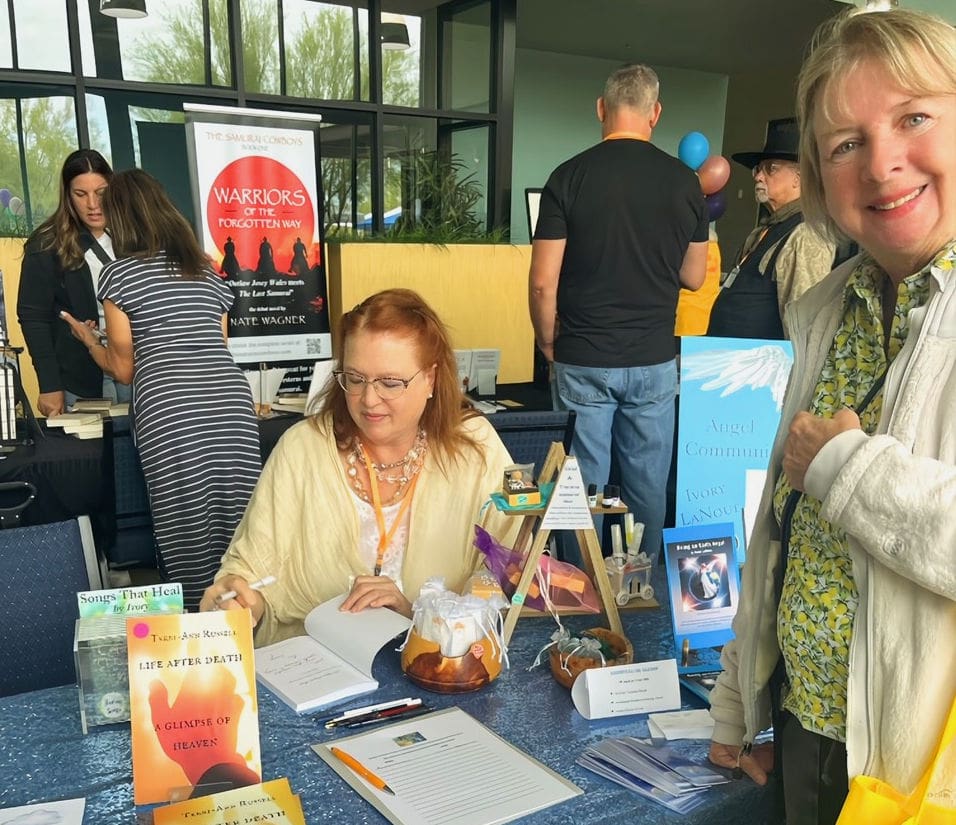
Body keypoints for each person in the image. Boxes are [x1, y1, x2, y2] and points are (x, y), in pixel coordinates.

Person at [709, 9, 956, 824]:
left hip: (922, 770)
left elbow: (830, 478)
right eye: (845, 143)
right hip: (808, 727)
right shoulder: (823, 307)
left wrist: (847, 468)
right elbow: (778, 529)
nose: (883, 164)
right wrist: (740, 695)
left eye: (914, 117)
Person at [198, 288, 518, 646]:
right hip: (314, 670)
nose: (368, 399)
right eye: (354, 378)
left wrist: (416, 615)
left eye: (390, 382)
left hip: (437, 672)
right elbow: (250, 570)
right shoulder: (303, 449)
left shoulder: (474, 451)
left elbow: (510, 575)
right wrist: (241, 601)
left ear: (430, 378)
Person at [529, 62, 709, 561]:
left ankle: (582, 584)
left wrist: (548, 342)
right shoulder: (683, 183)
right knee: (647, 482)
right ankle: (639, 590)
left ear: (601, 109)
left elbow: (544, 283)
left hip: (583, 355)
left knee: (580, 485)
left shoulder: (568, 177)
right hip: (653, 358)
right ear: (655, 113)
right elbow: (694, 275)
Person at [60, 169, 260, 611]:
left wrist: (89, 341)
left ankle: (200, 634)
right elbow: (216, 344)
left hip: (170, 410)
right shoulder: (206, 270)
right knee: (242, 519)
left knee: (187, 525)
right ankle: (250, 622)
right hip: (229, 403)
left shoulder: (119, 274)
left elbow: (125, 369)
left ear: (121, 217)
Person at [17, 149, 131, 416]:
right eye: (81, 194)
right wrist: (49, 384)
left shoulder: (133, 236)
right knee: (90, 456)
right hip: (77, 377)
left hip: (133, 370)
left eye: (101, 192)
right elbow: (34, 318)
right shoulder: (45, 244)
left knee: (133, 456)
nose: (93, 204)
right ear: (68, 196)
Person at [707, 117, 836, 340]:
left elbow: (804, 324)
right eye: (758, 169)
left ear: (799, 178)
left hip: (762, 368)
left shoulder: (806, 235)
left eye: (770, 169)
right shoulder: (766, 229)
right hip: (733, 364)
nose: (758, 176)